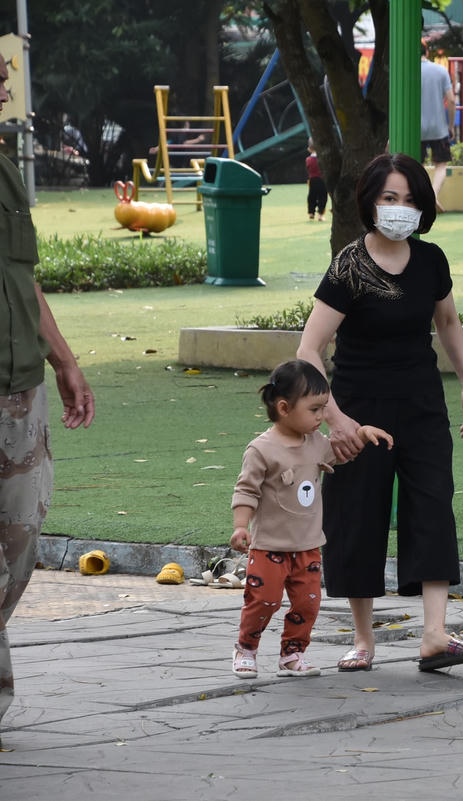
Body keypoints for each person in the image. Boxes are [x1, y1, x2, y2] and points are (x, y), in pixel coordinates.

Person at [296, 152, 463, 674]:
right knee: (358, 515)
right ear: (370, 203)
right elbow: (308, 349)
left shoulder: (431, 260)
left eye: (409, 200)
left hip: (422, 404)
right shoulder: (348, 267)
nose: (400, 209)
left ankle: (434, 635)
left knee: (432, 508)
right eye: (389, 198)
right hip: (358, 410)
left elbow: (448, 322)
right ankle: (362, 639)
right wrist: (336, 419)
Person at [0, 56, 95, 747]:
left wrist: (63, 359)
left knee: (20, 545)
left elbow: (23, 279)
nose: (7, 82)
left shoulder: (5, 163)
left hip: (19, 387)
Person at [229, 360, 393, 680]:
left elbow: (341, 452)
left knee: (307, 605)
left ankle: (293, 654)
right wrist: (240, 526)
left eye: (323, 409)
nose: (321, 417)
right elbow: (246, 490)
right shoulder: (261, 450)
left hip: (308, 547)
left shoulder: (316, 443)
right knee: (263, 601)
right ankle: (246, 648)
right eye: (314, 410)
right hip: (269, 548)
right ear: (284, 407)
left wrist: (362, 432)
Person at [420, 41, 456, 203]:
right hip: (438, 128)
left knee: (416, 165)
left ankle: (420, 196)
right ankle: (433, 195)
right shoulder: (441, 71)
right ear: (426, 52)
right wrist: (450, 126)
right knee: (441, 164)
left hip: (415, 129)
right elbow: (451, 100)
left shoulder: (406, 71)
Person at [305, 139, 327, 222]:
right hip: (322, 180)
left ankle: (311, 213)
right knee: (322, 197)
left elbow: (308, 168)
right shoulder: (323, 159)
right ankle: (320, 215)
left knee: (312, 196)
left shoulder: (308, 159)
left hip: (312, 180)